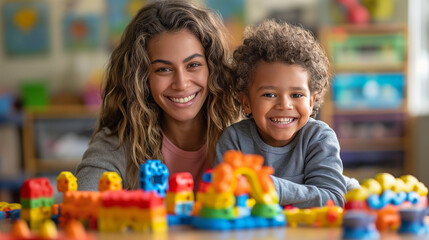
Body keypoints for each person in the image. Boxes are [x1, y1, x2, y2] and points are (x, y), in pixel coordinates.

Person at [76, 0, 241, 191]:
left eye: (193, 65)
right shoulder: (119, 144)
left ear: (212, 68)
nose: (181, 83)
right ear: (141, 78)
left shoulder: (244, 135)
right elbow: (82, 205)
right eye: (163, 69)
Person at [215, 20, 360, 208]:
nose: (284, 104)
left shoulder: (319, 137)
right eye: (269, 94)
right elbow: (224, 195)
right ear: (246, 102)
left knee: (354, 192)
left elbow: (332, 198)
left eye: (296, 95)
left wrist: (269, 186)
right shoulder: (234, 139)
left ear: (311, 101)